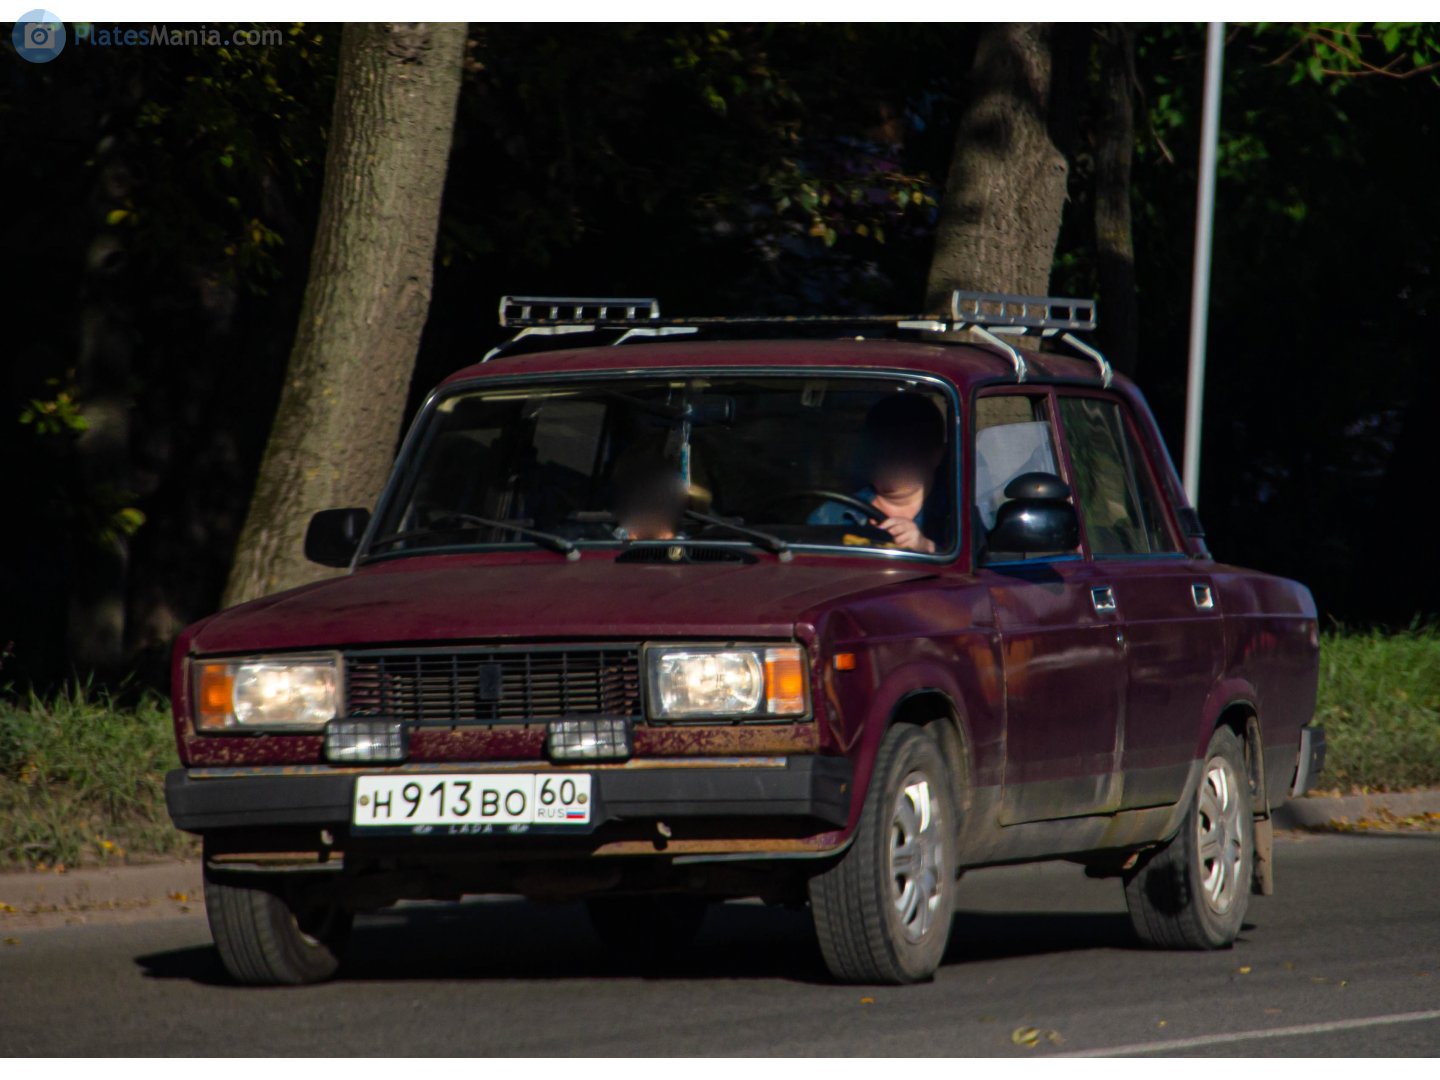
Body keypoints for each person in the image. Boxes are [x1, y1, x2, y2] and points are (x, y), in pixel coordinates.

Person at [808, 393, 947, 553]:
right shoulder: (831, 516)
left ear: (935, 455)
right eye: (879, 444)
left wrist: (928, 548)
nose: (887, 455)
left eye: (902, 446)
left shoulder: (956, 519)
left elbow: (975, 571)